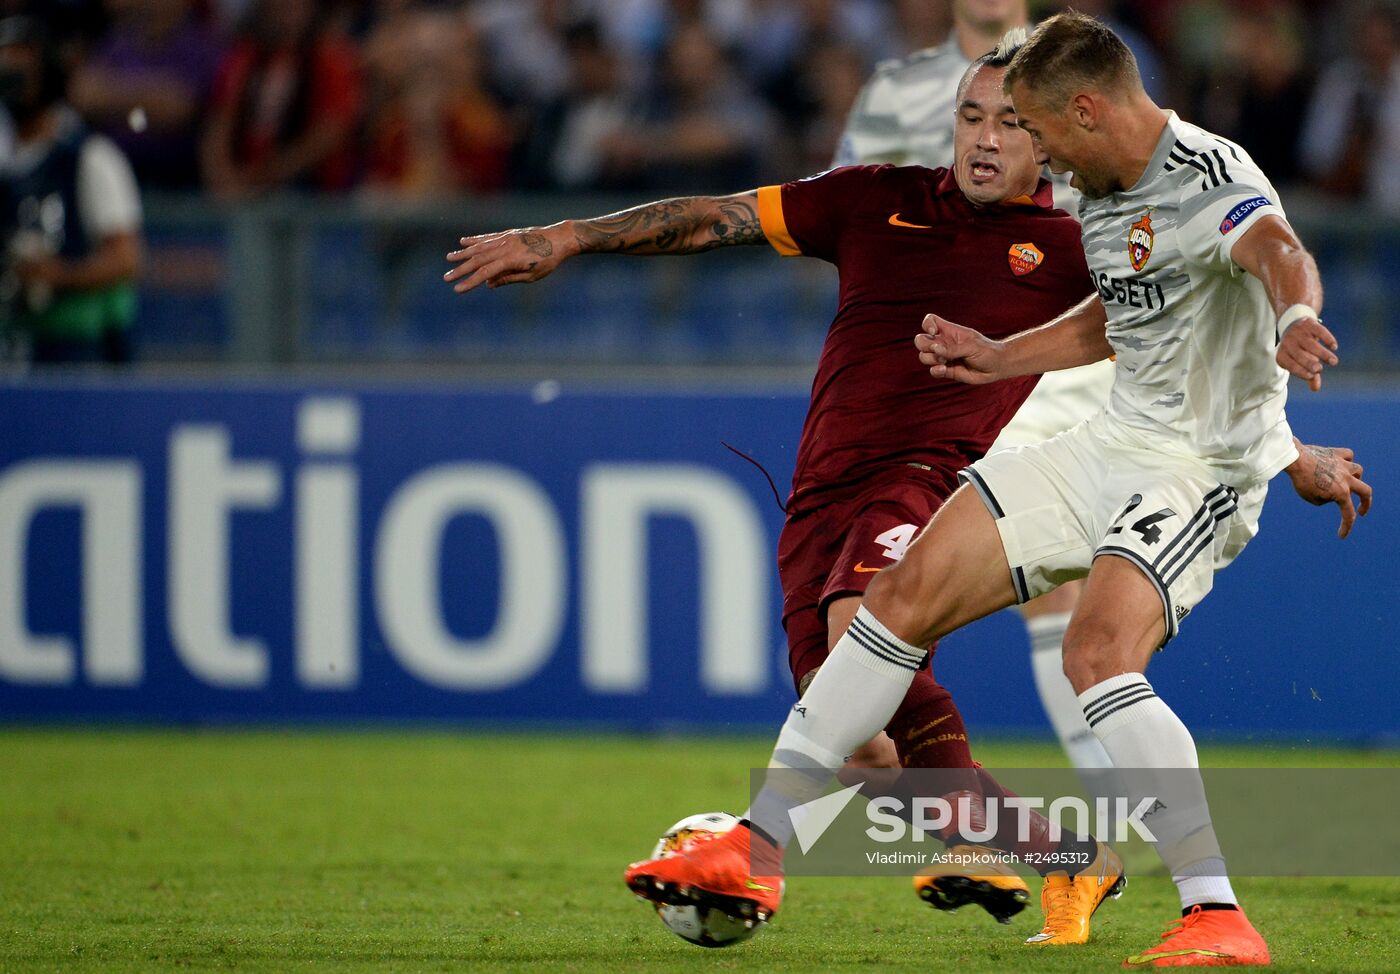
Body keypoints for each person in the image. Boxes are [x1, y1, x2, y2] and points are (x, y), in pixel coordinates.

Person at [624, 13, 1372, 969]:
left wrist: (1297, 322)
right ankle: (758, 848)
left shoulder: (1210, 179)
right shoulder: (1104, 187)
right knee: (899, 599)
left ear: (1084, 112)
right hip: (1109, 442)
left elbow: (1277, 252)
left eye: (1032, 128)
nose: (1029, 152)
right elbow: (1117, 314)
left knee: (1097, 655)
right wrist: (997, 356)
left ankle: (1216, 913)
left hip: (1197, 472)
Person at [448, 42, 1126, 944]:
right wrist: (565, 237)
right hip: (818, 502)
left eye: (1011, 122)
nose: (986, 139)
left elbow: (1182, 337)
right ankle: (1069, 857)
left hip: (926, 483)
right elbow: (711, 219)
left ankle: (889, 846)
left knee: (867, 625)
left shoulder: (1075, 251)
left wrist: (1280, 446)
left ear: (1048, 139)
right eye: (971, 117)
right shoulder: (872, 198)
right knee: (863, 748)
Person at [838, 0, 1121, 782]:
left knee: (1060, 604)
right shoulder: (898, 87)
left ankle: (1114, 812)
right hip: (943, 362)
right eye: (973, 118)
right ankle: (918, 798)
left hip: (1055, 348)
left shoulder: (1083, 72)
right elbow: (853, 201)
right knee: (897, 594)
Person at [0, 15, 142, 364]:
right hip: (13, 340)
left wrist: (57, 274)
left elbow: (126, 259)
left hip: (76, 348)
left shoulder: (90, 158)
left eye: (23, 71)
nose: (13, 83)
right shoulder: (5, 164)